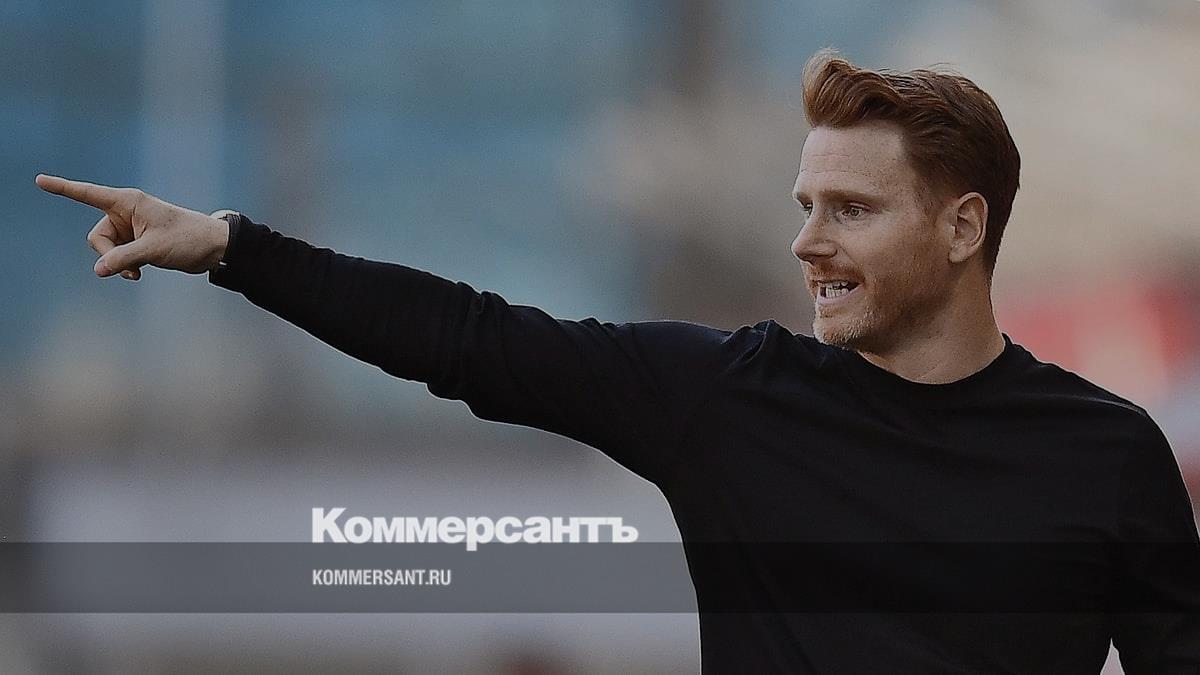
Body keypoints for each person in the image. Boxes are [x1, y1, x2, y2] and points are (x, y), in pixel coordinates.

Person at [36, 49, 1199, 673]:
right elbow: (470, 337)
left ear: (962, 227)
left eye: (851, 209)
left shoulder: (1106, 454)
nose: (807, 242)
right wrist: (233, 248)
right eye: (804, 206)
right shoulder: (727, 401)